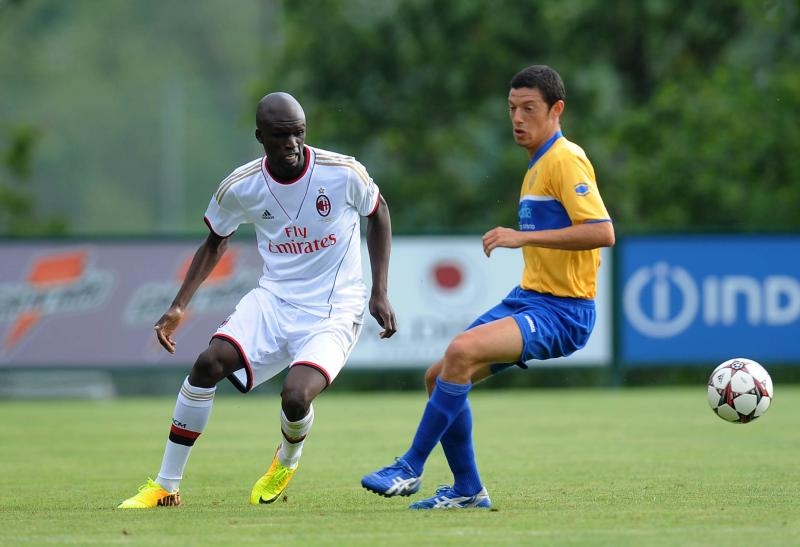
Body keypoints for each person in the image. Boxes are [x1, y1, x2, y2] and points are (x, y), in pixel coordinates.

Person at [118, 92, 397, 509]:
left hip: (334, 309)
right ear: (260, 136)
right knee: (207, 364)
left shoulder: (342, 173)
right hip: (273, 300)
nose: (292, 144)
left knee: (295, 397)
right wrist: (179, 305)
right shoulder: (241, 186)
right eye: (281, 135)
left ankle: (287, 460)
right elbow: (216, 241)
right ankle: (166, 485)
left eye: (298, 133)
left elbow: (378, 212)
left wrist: (380, 291)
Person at [361, 65, 614, 509]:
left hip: (564, 311)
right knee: (439, 375)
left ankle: (409, 466)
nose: (517, 118)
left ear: (557, 109)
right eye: (512, 108)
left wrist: (522, 237)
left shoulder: (565, 158)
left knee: (460, 352)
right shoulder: (538, 164)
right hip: (531, 299)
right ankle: (467, 490)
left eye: (529, 108)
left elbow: (602, 232)